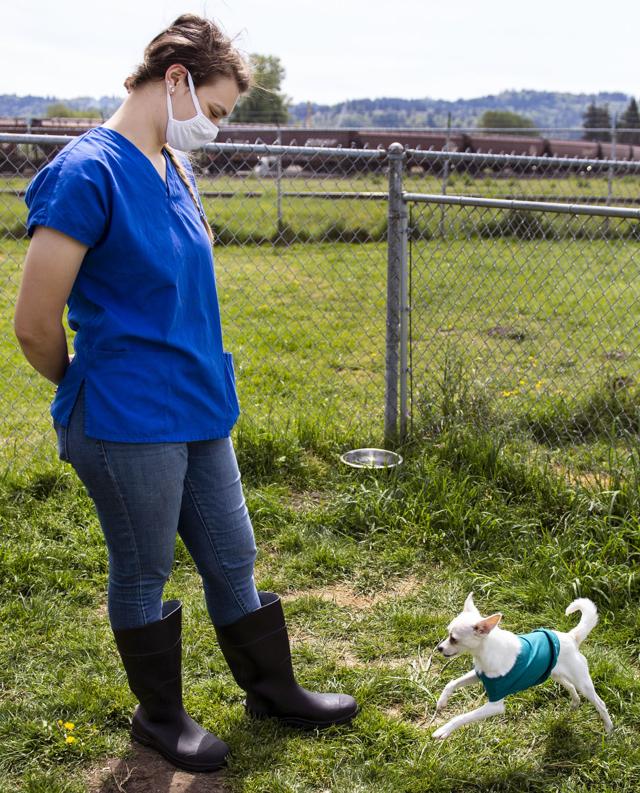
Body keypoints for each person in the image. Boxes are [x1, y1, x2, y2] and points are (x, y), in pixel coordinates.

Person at [13, 13, 357, 774]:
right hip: (127, 417)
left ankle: (273, 690)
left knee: (234, 557)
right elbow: (35, 324)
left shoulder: (173, 163)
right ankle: (159, 717)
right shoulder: (85, 172)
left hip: (201, 404)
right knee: (143, 570)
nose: (217, 129)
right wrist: (89, 390)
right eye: (219, 110)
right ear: (176, 81)